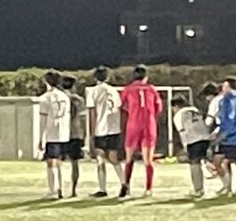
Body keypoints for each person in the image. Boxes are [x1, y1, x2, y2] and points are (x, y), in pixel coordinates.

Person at [120, 65, 162, 199]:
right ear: (146, 77)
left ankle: (126, 186)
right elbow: (158, 108)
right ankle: (148, 189)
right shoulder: (152, 89)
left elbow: (122, 106)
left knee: (129, 158)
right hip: (149, 125)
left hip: (133, 125)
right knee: (148, 160)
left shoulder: (127, 89)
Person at [85, 66, 125, 198]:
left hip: (100, 128)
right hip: (114, 128)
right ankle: (124, 182)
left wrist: (91, 132)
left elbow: (92, 112)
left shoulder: (93, 91)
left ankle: (102, 188)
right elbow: (119, 108)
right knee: (113, 158)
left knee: (100, 158)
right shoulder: (114, 91)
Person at [37, 70, 71, 200]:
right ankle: (60, 188)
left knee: (51, 163)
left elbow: (42, 120)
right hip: (63, 132)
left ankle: (53, 190)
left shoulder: (45, 98)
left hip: (52, 133)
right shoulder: (64, 97)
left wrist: (40, 138)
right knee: (59, 162)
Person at [171, 95, 212, 198]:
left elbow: (182, 132)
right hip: (205, 138)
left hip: (193, 140)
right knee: (204, 162)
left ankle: (198, 190)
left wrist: (185, 146)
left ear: (176, 106)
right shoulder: (195, 109)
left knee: (194, 165)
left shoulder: (179, 115)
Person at [214, 76, 236, 197]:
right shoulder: (223, 100)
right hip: (226, 137)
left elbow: (231, 119)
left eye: (224, 85)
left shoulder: (235, 100)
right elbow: (222, 119)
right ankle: (227, 186)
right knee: (220, 162)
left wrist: (224, 133)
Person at [61, 76, 87, 198]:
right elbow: (83, 118)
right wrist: (85, 135)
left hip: (60, 133)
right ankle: (73, 190)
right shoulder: (79, 100)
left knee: (57, 163)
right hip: (75, 133)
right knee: (74, 163)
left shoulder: (60, 97)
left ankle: (58, 189)